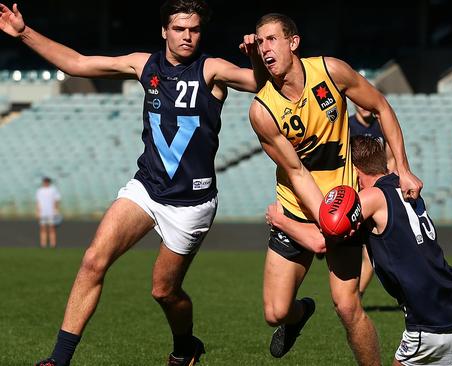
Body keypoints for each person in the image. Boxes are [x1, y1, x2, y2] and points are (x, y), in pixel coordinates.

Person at [0, 1, 264, 365]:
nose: (187, 36)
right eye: (179, 29)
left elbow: (262, 84)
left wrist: (257, 58)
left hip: (191, 203)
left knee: (164, 292)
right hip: (146, 188)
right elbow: (77, 64)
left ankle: (186, 346)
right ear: (164, 31)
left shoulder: (212, 70)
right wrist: (23, 32)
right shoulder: (144, 64)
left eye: (195, 30)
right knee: (93, 260)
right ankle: (58, 360)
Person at [247, 13, 423, 364]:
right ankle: (301, 313)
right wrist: (324, 220)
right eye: (260, 41)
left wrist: (402, 168)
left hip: (346, 201)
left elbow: (381, 107)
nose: (265, 48)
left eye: (272, 39)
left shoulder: (331, 71)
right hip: (299, 206)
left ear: (293, 43)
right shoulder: (262, 110)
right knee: (275, 313)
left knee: (347, 306)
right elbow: (296, 171)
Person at [266, 135, 452, 366]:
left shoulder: (371, 198)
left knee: (439, 346)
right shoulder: (401, 183)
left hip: (429, 317)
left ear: (354, 170)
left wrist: (280, 220)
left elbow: (321, 241)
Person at [348, 101, 395, 298]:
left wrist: (388, 182)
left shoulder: (381, 126)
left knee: (369, 249)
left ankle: (356, 295)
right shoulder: (346, 125)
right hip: (352, 191)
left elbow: (391, 158)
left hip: (374, 193)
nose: (364, 106)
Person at [35, 176, 61, 248]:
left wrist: (56, 210)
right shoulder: (39, 190)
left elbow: (56, 200)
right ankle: (43, 244)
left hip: (51, 212)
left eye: (47, 181)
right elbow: (38, 202)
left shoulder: (53, 190)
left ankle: (53, 244)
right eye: (45, 181)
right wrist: (38, 211)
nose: (45, 183)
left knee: (51, 228)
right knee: (43, 228)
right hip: (43, 212)